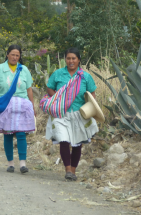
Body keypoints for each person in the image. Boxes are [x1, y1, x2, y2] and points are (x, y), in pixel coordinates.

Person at [45, 47, 98, 181]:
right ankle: (68, 169)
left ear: (79, 60)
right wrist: (58, 99)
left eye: (73, 58)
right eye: (68, 58)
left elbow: (92, 95)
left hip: (79, 114)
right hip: (61, 113)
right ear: (65, 60)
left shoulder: (85, 76)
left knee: (77, 143)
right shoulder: (58, 74)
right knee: (63, 140)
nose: (71, 61)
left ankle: (73, 171)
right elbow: (49, 88)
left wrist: (90, 109)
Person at [0, 45, 35, 174]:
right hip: (5, 105)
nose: (15, 57)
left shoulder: (24, 70)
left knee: (21, 134)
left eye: (17, 55)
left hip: (22, 105)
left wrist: (32, 105)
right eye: (12, 55)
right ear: (7, 55)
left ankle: (23, 164)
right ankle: (10, 163)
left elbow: (29, 89)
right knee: (8, 134)